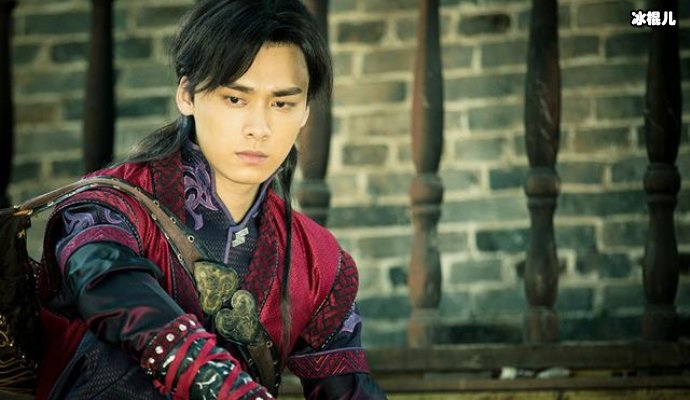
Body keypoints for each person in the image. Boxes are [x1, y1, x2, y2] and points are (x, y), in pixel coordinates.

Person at [34, 0, 387, 399]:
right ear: (187, 94)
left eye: (282, 103)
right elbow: (113, 292)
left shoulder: (318, 262)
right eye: (235, 99)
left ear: (305, 110)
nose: (260, 128)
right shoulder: (106, 211)